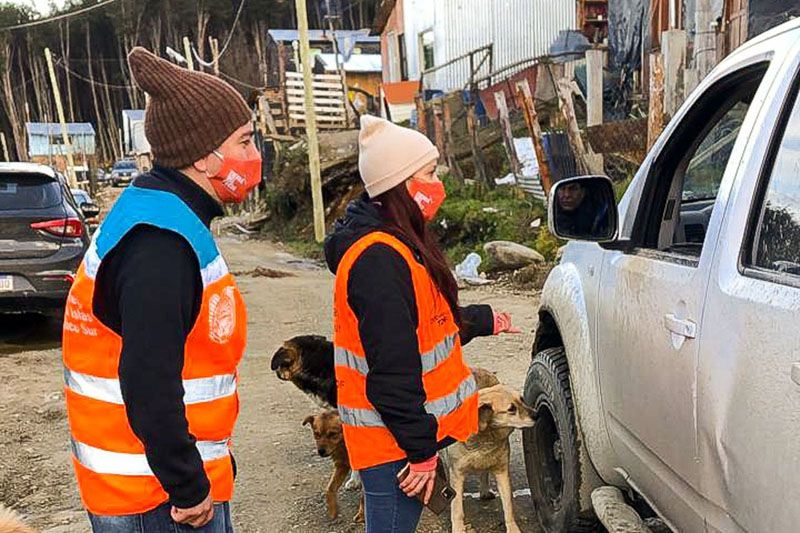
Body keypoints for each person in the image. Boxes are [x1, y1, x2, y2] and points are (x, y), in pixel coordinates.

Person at [62, 47, 261, 532]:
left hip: (149, 487)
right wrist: (188, 485)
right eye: (245, 141)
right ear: (203, 155)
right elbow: (148, 381)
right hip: (157, 501)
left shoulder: (159, 216)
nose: (255, 156)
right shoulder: (160, 245)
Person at [324, 116, 519, 532]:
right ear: (400, 185)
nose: (438, 185)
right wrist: (420, 452)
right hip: (391, 444)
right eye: (429, 174)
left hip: (397, 438)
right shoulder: (379, 260)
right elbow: (390, 374)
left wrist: (483, 320)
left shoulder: (396, 246)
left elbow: (423, 326)